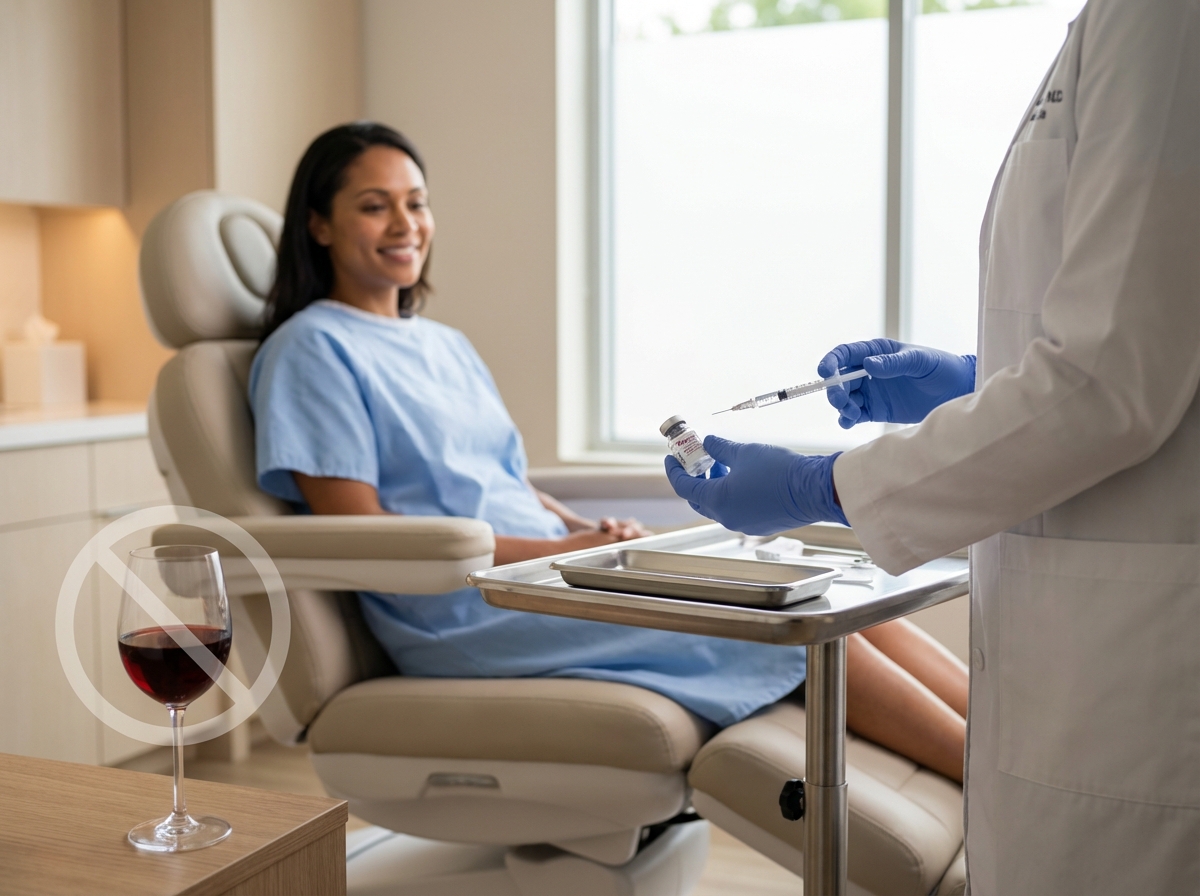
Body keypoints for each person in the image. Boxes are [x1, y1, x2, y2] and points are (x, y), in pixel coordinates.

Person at [668, 2, 1199, 893]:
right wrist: (977, 378)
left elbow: (1110, 383)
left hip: (1139, 672)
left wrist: (820, 485)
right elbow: (1141, 338)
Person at [249, 122, 971, 777]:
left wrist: (581, 533)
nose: (405, 224)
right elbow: (368, 535)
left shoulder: (442, 342)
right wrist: (563, 553)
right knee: (776, 619)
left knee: (826, 597)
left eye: (417, 201)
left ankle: (1006, 749)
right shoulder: (310, 349)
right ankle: (988, 787)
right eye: (375, 206)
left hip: (541, 572)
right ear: (318, 224)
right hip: (468, 605)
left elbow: (503, 481)